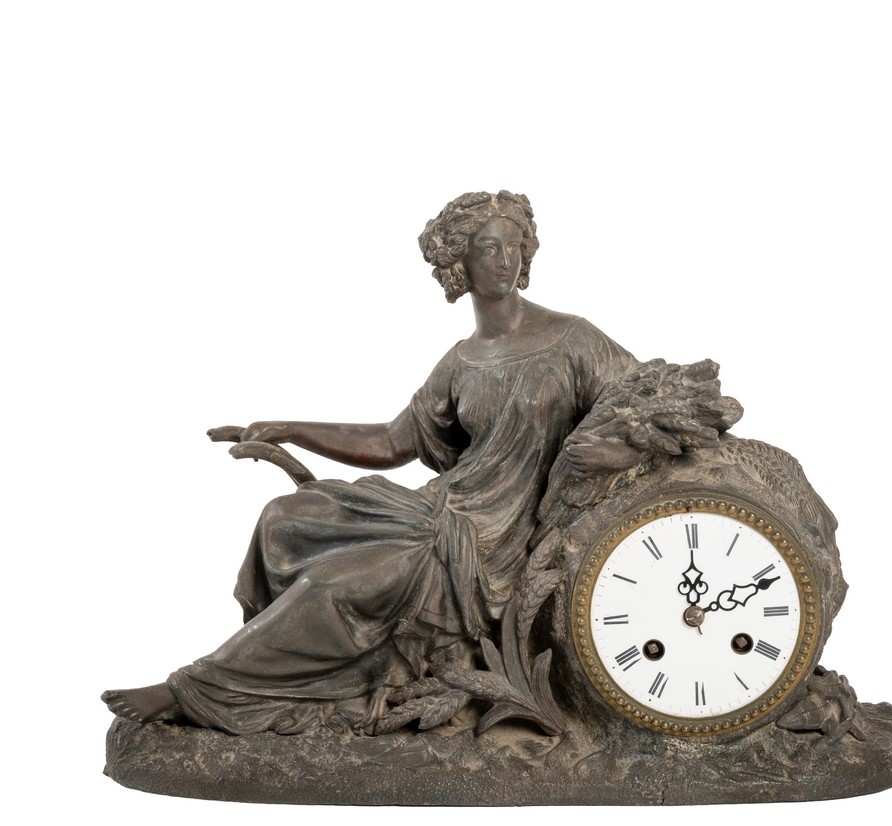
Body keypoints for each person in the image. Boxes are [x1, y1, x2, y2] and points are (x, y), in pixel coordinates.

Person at [103, 190, 637, 735]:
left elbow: (651, 399)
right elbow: (391, 441)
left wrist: (614, 453)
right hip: (442, 507)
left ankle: (194, 689)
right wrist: (289, 428)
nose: (504, 260)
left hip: (487, 541)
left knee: (331, 586)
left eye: (513, 245)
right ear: (460, 261)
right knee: (285, 519)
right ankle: (290, 668)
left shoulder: (572, 339)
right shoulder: (461, 361)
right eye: (488, 247)